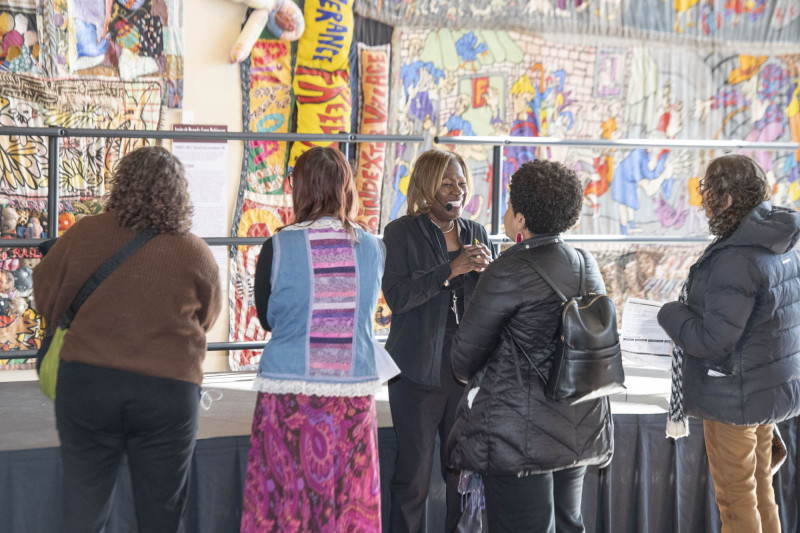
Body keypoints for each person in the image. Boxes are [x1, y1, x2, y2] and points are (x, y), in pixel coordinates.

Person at [33, 145, 222, 533]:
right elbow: (208, 317)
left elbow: (43, 290)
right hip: (167, 391)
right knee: (162, 511)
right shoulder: (195, 252)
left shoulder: (84, 233)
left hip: (87, 381)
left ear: (121, 185)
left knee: (84, 507)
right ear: (179, 193)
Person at [447, 159, 613, 533]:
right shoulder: (587, 264)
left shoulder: (507, 269)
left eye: (508, 205)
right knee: (570, 523)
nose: (505, 214)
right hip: (579, 423)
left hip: (517, 434)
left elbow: (463, 358)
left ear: (521, 219)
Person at [240, 146, 388, 532]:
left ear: (299, 189)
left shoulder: (279, 245)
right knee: (347, 500)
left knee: (286, 501)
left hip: (289, 392)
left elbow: (268, 318)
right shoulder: (373, 247)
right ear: (346, 188)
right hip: (352, 392)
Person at [657, 154, 800, 533]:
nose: (701, 201)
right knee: (759, 490)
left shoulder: (736, 258)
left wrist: (670, 313)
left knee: (736, 502)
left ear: (727, 199)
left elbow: (713, 340)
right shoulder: (779, 241)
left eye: (705, 192)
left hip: (735, 395)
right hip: (767, 388)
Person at [382, 148, 494, 532]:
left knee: (462, 476)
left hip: (464, 369)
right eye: (447, 183)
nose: (457, 190)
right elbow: (397, 297)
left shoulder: (476, 232)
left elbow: (488, 306)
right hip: (416, 368)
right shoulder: (400, 232)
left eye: (462, 183)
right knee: (413, 479)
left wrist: (488, 276)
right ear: (427, 186)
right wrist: (451, 269)